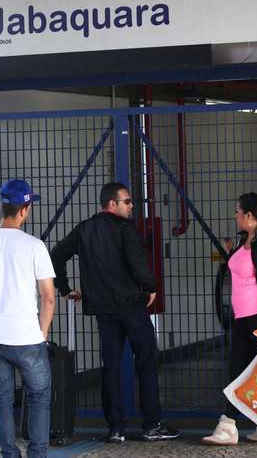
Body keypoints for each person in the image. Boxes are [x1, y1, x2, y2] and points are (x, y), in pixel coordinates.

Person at [50, 182, 179, 444]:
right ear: (112, 204)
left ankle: (115, 428)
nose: (132, 206)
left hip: (103, 311)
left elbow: (57, 254)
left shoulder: (84, 229)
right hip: (131, 307)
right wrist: (151, 287)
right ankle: (151, 424)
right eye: (127, 201)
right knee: (146, 362)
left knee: (111, 367)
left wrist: (64, 288)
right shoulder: (125, 229)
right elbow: (138, 263)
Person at [0, 179, 56, 458]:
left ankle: (9, 454)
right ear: (25, 210)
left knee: (2, 400)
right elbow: (48, 296)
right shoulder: (34, 246)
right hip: (28, 337)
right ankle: (37, 454)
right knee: (39, 397)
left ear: (4, 206)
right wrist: (43, 331)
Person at [202, 193, 257, 446]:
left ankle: (228, 426)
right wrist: (231, 252)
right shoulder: (245, 241)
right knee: (252, 372)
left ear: (249, 216)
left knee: (242, 370)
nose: (235, 216)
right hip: (243, 318)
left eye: (238, 211)